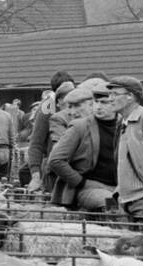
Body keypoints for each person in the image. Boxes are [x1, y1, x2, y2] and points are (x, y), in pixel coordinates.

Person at [48, 83, 119, 211]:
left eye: (104, 102)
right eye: (96, 102)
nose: (98, 106)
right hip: (90, 187)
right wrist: (81, 182)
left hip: (121, 187)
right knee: (111, 203)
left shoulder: (125, 125)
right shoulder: (79, 127)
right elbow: (55, 160)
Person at [107, 76, 143, 222]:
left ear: (130, 96)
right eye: (109, 94)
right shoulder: (122, 122)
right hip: (126, 201)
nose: (110, 99)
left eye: (115, 94)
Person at [27, 74, 74, 191]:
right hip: (53, 168)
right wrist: (35, 175)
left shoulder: (81, 107)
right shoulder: (46, 109)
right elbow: (36, 143)